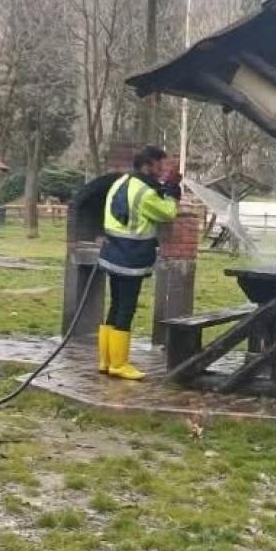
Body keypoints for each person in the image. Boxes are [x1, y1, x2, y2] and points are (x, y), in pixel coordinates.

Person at [97, 146, 182, 380]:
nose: (163, 170)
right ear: (148, 165)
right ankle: (119, 364)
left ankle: (106, 361)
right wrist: (173, 191)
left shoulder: (122, 181)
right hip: (131, 257)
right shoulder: (145, 192)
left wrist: (163, 187)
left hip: (113, 253)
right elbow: (167, 213)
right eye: (160, 165)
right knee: (127, 308)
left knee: (114, 306)